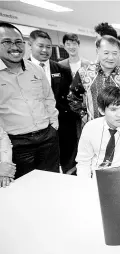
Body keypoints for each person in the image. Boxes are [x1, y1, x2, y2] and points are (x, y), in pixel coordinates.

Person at [0, 22, 59, 179]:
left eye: (18, 42)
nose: (15, 47)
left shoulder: (35, 69)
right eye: (7, 42)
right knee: (23, 189)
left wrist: (53, 126)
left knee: (51, 182)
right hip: (16, 144)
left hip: (47, 138)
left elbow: (48, 98)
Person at [28, 29, 78, 174]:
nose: (45, 50)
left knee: (69, 161)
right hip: (35, 128)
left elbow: (71, 97)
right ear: (30, 45)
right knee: (44, 168)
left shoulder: (62, 69)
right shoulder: (22, 69)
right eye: (40, 46)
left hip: (63, 125)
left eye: (48, 47)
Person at [76, 86, 120, 178]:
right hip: (96, 176)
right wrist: (86, 184)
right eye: (113, 109)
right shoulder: (90, 128)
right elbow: (84, 162)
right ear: (101, 110)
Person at [68, 35, 120, 123]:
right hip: (94, 126)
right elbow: (72, 97)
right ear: (97, 51)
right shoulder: (84, 73)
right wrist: (83, 115)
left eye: (115, 53)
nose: (110, 57)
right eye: (106, 53)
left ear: (119, 53)